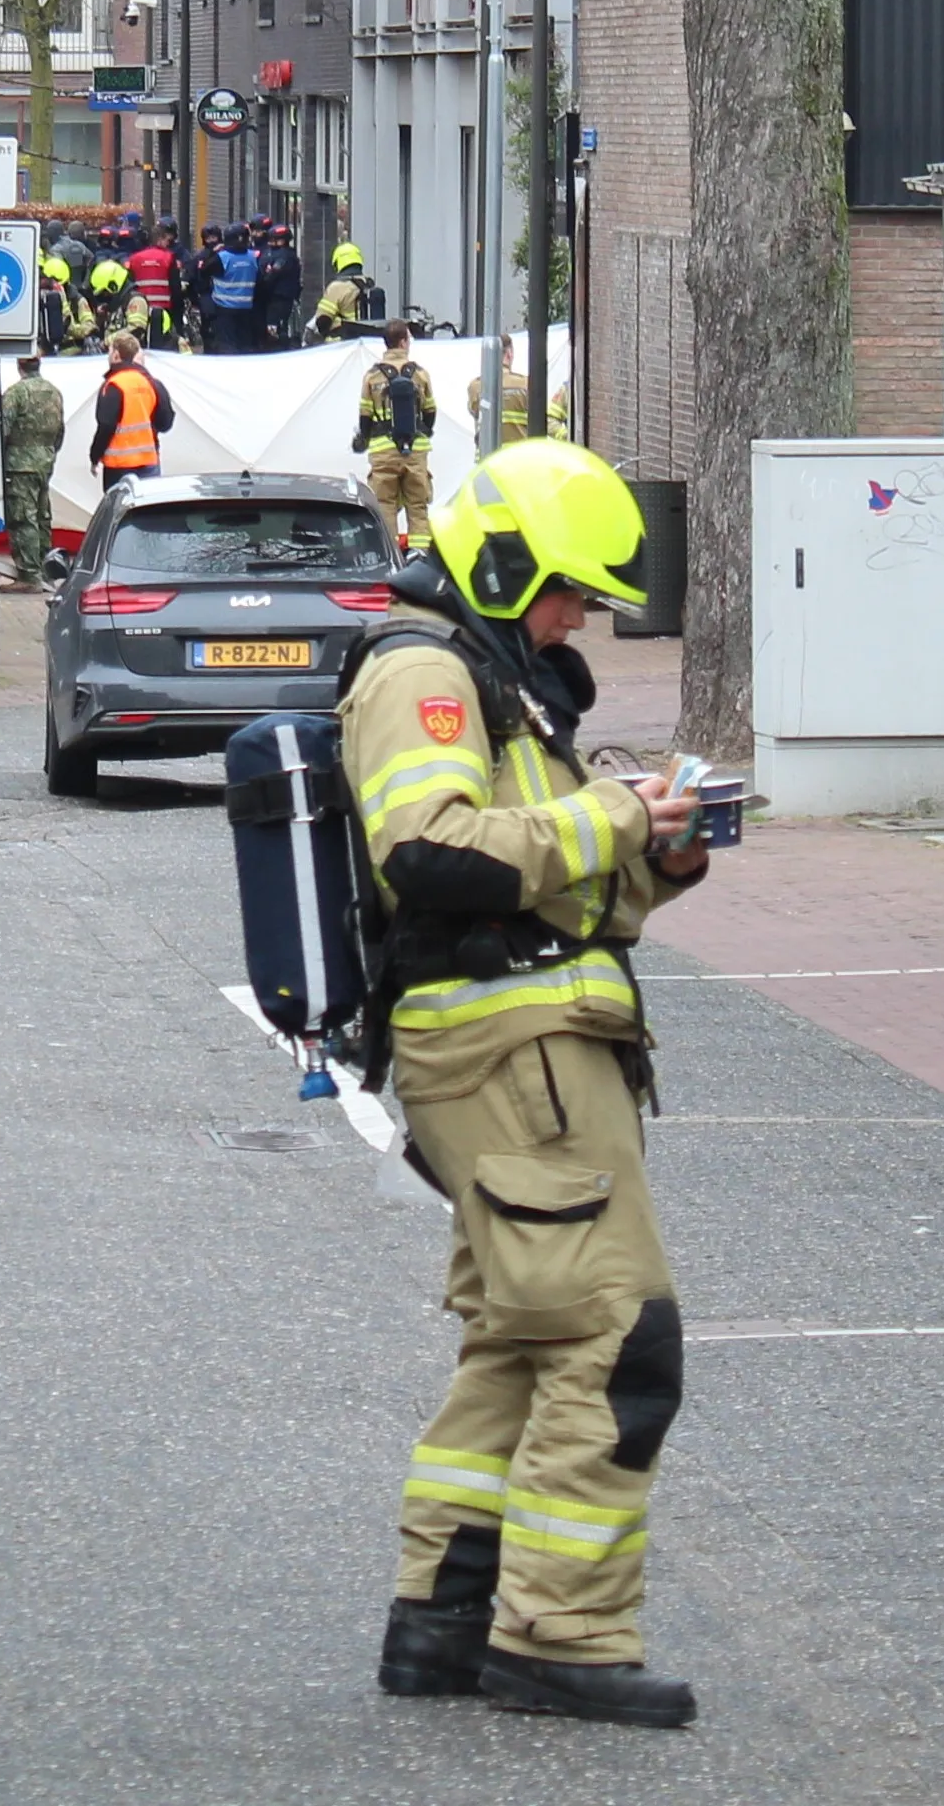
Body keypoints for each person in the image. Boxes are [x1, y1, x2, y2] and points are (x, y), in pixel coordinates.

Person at [342, 438, 709, 1728]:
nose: (576, 620)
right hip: (510, 1051)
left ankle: (442, 1622)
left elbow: (546, 883)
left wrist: (658, 855)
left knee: (524, 1335)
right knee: (619, 1336)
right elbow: (431, 857)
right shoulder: (426, 674)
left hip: (529, 1042)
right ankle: (562, 1634)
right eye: (566, 592)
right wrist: (615, 817)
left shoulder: (491, 675)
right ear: (501, 563)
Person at [358, 319, 437, 549]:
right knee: (418, 507)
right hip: (415, 451)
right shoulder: (420, 374)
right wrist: (421, 433)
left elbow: (365, 416)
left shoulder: (372, 376)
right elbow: (430, 412)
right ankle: (420, 555)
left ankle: (391, 556)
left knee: (385, 506)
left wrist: (365, 439)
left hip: (383, 452)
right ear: (403, 342)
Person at [0, 355, 64, 588]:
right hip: (45, 462)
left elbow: (3, 430)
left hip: (20, 464)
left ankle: (29, 575)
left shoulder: (15, 393)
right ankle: (46, 570)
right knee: (42, 516)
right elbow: (60, 431)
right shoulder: (54, 392)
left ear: (20, 366)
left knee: (23, 518)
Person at [88, 331, 175, 490]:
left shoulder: (113, 385)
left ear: (116, 355)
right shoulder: (152, 384)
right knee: (149, 504)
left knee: (120, 505)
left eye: (110, 351)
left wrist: (95, 456)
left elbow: (106, 426)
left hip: (118, 466)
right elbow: (166, 423)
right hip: (149, 462)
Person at [205, 223, 262, 355]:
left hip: (224, 308)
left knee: (227, 345)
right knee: (245, 344)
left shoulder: (222, 257)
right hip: (247, 307)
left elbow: (204, 271)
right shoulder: (253, 257)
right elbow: (261, 279)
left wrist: (212, 252)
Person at [127, 221, 182, 351]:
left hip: (140, 309)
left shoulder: (134, 258)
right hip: (164, 309)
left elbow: (130, 285)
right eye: (167, 240)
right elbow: (175, 288)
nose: (168, 243)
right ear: (159, 239)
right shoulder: (168, 257)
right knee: (162, 344)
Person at [467, 335, 531, 443]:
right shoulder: (525, 384)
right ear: (509, 354)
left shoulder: (475, 387)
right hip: (517, 453)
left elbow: (474, 413)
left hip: (486, 454)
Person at [309, 240, 374, 342]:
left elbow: (323, 320)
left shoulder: (336, 287)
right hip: (367, 341)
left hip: (341, 343)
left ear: (338, 263)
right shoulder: (368, 284)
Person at [256, 223, 302, 350]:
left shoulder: (285, 256)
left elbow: (272, 275)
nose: (270, 242)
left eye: (273, 240)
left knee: (275, 330)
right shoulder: (275, 253)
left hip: (280, 299)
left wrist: (265, 279)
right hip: (273, 298)